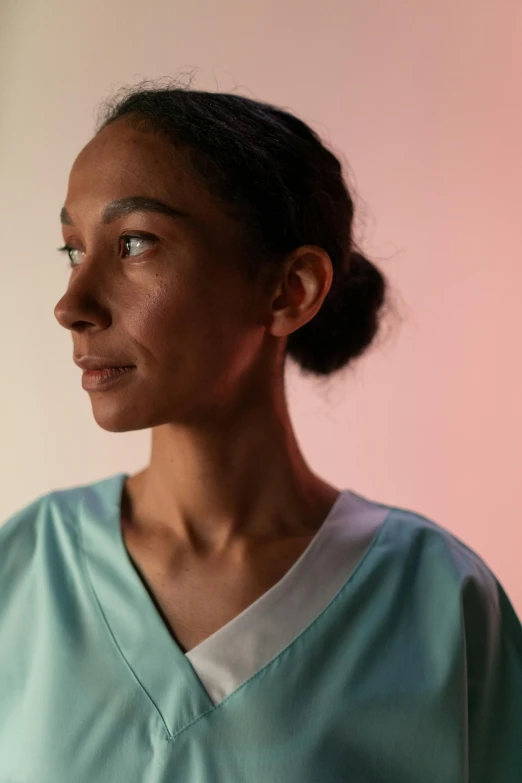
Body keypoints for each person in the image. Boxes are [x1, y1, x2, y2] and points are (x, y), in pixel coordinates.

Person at [1, 77, 521, 783]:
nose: (73, 303)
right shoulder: (22, 572)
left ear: (289, 291)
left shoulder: (439, 601)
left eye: (133, 243)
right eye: (72, 248)